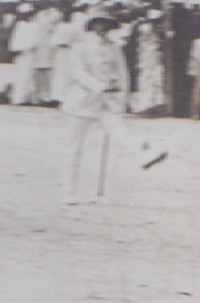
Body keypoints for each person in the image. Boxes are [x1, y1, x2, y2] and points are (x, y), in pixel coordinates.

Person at [61, 12, 168, 205]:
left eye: (107, 24)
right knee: (74, 148)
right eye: (100, 23)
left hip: (106, 103)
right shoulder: (80, 46)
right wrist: (99, 86)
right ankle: (68, 192)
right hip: (81, 102)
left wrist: (122, 99)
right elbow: (78, 73)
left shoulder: (114, 48)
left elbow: (123, 75)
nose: (104, 28)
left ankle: (146, 154)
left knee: (120, 131)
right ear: (92, 25)